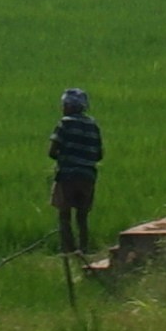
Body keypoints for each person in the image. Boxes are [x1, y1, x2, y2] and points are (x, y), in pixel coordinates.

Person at [48, 85, 105, 260]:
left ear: (70, 106)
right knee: (82, 216)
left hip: (67, 175)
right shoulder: (93, 125)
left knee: (64, 214)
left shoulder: (65, 123)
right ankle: (84, 249)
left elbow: (52, 151)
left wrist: (63, 157)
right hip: (88, 176)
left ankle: (68, 251)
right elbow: (99, 154)